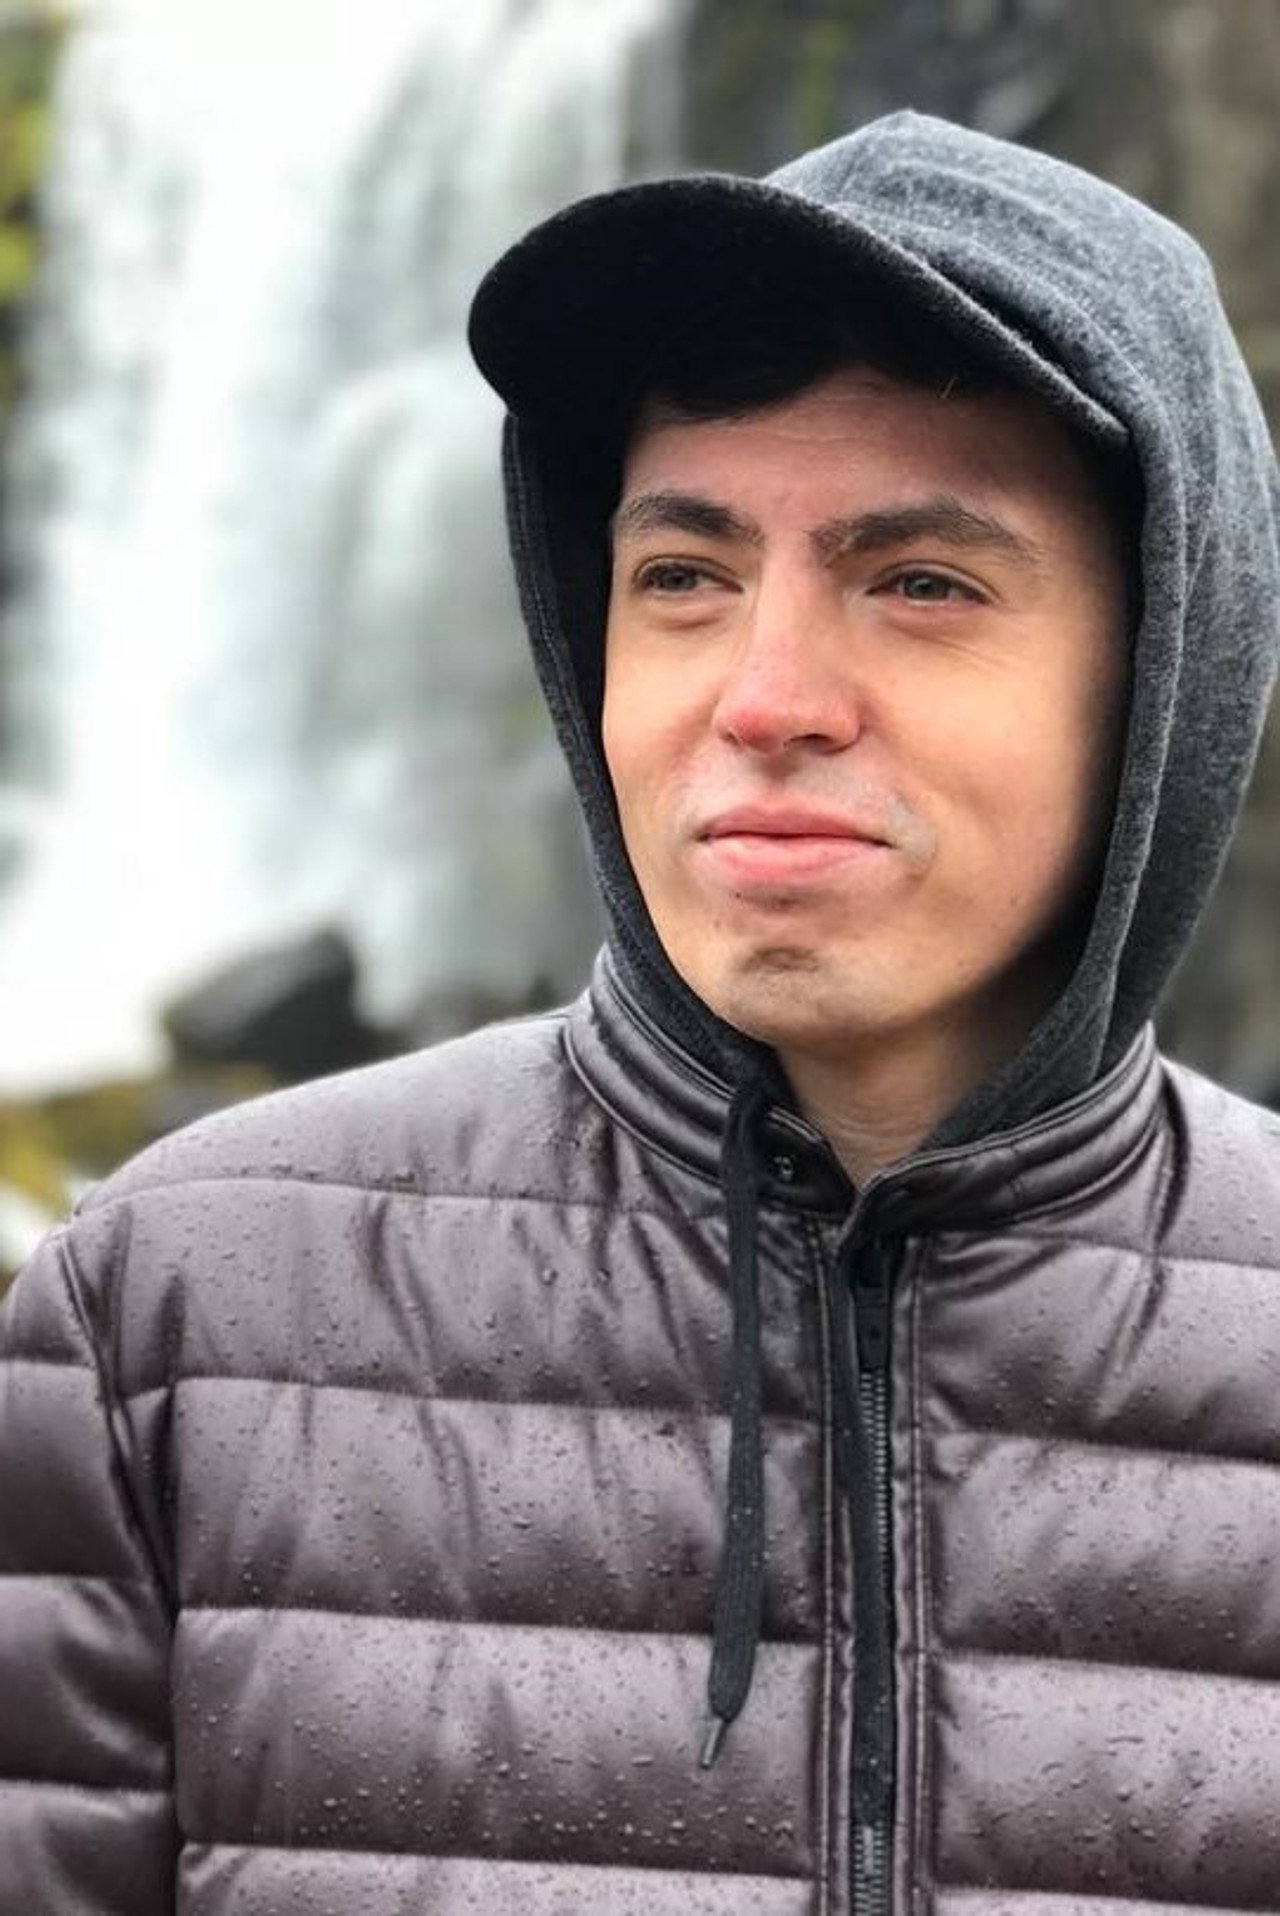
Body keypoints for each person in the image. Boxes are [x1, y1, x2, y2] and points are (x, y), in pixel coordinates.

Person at [2, 108, 1279, 1913]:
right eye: (684, 578)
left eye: (921, 584)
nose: (764, 697)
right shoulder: (164, 1321)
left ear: (1167, 674)